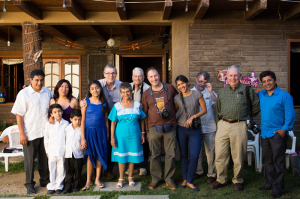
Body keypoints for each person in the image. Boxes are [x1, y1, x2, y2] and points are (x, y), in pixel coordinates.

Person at [210, 65, 260, 191]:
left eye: (235, 75)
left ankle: (238, 180)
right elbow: (217, 109)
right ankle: (221, 179)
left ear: (239, 76)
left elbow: (255, 106)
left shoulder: (247, 90)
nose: (233, 78)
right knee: (220, 154)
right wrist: (219, 123)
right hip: (223, 124)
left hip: (239, 125)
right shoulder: (222, 92)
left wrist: (247, 120)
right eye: (230, 75)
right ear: (226, 77)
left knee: (238, 154)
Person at [11, 69, 52, 194]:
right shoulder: (24, 94)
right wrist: (22, 133)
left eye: (41, 80)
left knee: (44, 159)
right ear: (31, 80)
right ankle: (29, 184)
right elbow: (19, 115)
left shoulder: (47, 92)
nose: (39, 83)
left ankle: (45, 180)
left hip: (45, 132)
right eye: (37, 80)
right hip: (30, 133)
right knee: (29, 161)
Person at [257, 71, 295, 199]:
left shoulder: (285, 96)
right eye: (264, 81)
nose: (267, 83)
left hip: (277, 134)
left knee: (278, 162)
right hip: (264, 134)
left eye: (269, 80)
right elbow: (254, 92)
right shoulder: (262, 95)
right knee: (267, 161)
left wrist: (284, 130)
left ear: (275, 80)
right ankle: (269, 183)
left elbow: (290, 115)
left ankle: (278, 189)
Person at [81, 64, 122, 179]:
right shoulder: (97, 84)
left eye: (113, 73)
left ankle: (108, 170)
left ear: (116, 74)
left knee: (110, 145)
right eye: (108, 73)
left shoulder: (120, 86)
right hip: (97, 119)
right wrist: (82, 103)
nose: (111, 75)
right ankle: (93, 172)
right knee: (94, 146)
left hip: (114, 120)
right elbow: (87, 99)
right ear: (104, 74)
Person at [142, 67, 178, 190]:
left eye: (155, 75)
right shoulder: (146, 94)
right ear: (148, 79)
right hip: (153, 127)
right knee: (154, 155)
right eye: (151, 77)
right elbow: (144, 113)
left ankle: (169, 179)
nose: (154, 78)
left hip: (170, 125)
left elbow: (177, 103)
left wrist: (172, 116)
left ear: (159, 75)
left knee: (171, 154)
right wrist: (146, 130)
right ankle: (155, 179)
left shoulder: (170, 88)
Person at [108, 82, 146, 188]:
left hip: (134, 135)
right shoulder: (117, 106)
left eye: (128, 91)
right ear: (120, 93)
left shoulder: (137, 104)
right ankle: (121, 178)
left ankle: (130, 177)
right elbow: (112, 122)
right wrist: (112, 137)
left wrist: (143, 133)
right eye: (123, 92)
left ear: (131, 92)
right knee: (122, 156)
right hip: (120, 135)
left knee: (132, 156)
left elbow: (142, 119)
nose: (126, 94)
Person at [174, 75, 207, 192]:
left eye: (183, 83)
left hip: (195, 129)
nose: (181, 86)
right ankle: (185, 179)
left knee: (194, 155)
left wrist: (193, 116)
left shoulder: (196, 94)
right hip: (181, 129)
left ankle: (190, 180)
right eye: (178, 85)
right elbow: (175, 111)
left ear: (187, 82)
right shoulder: (177, 98)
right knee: (183, 154)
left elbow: (204, 109)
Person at [81, 80, 109, 190]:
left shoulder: (104, 102)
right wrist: (83, 138)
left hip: (101, 131)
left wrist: (106, 135)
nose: (95, 90)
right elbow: (83, 121)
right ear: (89, 90)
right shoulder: (86, 102)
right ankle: (88, 181)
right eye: (92, 88)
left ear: (100, 89)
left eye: (97, 88)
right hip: (89, 132)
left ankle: (97, 178)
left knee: (100, 154)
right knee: (90, 155)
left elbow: (106, 121)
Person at [192, 71, 217, 184]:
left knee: (211, 151)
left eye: (205, 82)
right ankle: (198, 171)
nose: (202, 84)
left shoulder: (209, 92)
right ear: (196, 80)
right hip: (196, 127)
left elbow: (216, 103)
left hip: (209, 126)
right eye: (200, 81)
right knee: (196, 151)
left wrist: (211, 92)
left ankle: (212, 174)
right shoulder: (191, 92)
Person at [126, 67, 150, 176]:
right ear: (132, 77)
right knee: (132, 143)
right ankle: (133, 166)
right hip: (131, 121)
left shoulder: (148, 88)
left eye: (140, 76)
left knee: (144, 142)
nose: (137, 78)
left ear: (143, 77)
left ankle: (143, 166)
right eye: (135, 76)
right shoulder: (128, 87)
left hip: (145, 119)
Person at [44, 104, 69, 194]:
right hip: (51, 151)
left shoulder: (66, 124)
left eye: (59, 111)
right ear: (51, 114)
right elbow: (46, 138)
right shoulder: (48, 125)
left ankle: (59, 186)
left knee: (61, 169)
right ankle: (51, 185)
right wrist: (47, 151)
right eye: (55, 112)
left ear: (62, 112)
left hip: (62, 150)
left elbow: (67, 138)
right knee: (52, 168)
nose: (57, 113)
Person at [62, 109, 84, 194]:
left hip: (78, 154)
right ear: (71, 119)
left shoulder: (82, 128)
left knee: (78, 171)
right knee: (69, 171)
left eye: (79, 119)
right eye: (75, 119)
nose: (77, 121)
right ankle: (68, 186)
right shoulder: (67, 128)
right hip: (68, 154)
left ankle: (76, 186)